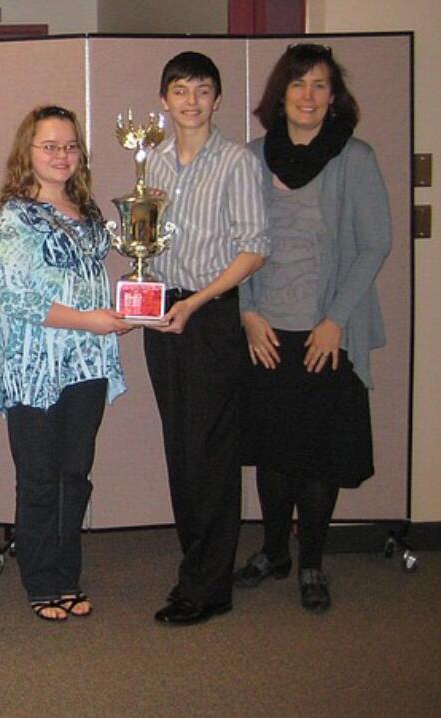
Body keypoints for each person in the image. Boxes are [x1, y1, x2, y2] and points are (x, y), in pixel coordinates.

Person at [234, 44, 390, 613]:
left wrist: (335, 321)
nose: (307, 95)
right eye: (297, 84)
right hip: (266, 330)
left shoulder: (356, 157)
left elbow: (375, 244)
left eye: (319, 85)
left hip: (328, 333)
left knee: (319, 456)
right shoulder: (251, 157)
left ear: (334, 97)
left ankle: (312, 563)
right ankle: (274, 552)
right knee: (272, 454)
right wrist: (247, 312)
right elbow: (238, 243)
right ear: (280, 94)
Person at [143, 52, 269, 625]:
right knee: (179, 446)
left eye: (202, 91)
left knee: (211, 452)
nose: (190, 101)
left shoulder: (237, 161)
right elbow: (146, 239)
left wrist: (194, 302)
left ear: (218, 100)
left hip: (210, 313)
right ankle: (195, 567)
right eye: (179, 90)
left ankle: (209, 586)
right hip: (165, 314)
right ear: (164, 101)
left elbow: (254, 247)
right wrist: (141, 286)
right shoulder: (155, 162)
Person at [0, 105, 129, 622]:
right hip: (35, 368)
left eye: (70, 146)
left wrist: (118, 313)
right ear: (27, 152)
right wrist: (88, 320)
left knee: (77, 474)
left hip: (87, 366)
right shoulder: (14, 216)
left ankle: (67, 573)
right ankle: (42, 581)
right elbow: (17, 298)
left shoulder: (89, 211)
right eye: (49, 146)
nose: (61, 155)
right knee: (40, 476)